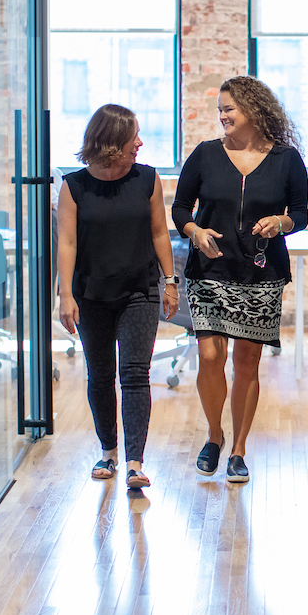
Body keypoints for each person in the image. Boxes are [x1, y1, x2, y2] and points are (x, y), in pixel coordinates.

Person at [172, 75, 308, 484]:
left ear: (253, 109)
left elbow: (300, 214)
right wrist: (194, 231)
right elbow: (180, 207)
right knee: (211, 357)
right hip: (209, 272)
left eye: (228, 108)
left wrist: (281, 222)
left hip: (260, 274)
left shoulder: (287, 159)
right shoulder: (205, 155)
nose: (222, 116)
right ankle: (214, 436)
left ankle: (238, 448)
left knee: (247, 363)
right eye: (219, 110)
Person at [58, 104, 178, 490]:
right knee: (100, 376)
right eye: (133, 137)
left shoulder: (147, 179)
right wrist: (65, 295)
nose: (140, 143)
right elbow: (67, 243)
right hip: (91, 294)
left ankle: (134, 462)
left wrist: (170, 281)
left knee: (134, 373)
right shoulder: (74, 186)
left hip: (139, 290)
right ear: (111, 141)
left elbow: (160, 233)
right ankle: (108, 452)